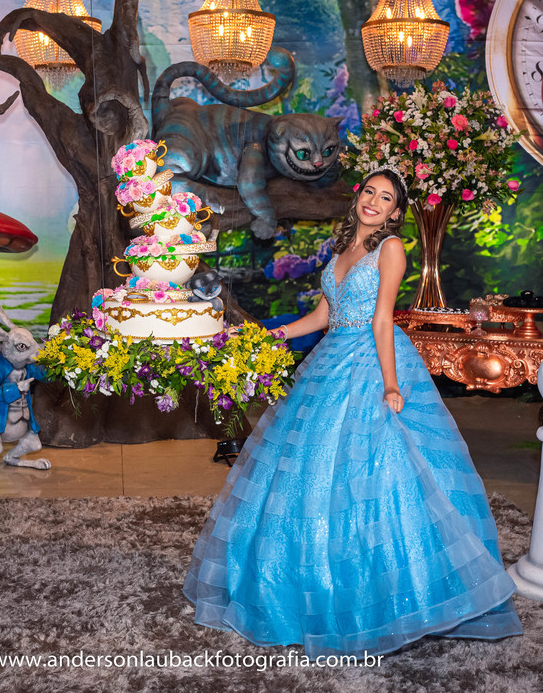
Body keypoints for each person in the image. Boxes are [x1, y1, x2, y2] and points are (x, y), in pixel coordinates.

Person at [183, 166, 522, 657]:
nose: (373, 202)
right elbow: (323, 317)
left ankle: (388, 596)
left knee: (379, 471)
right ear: (358, 196)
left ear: (395, 213)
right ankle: (306, 585)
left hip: (370, 360)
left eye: (385, 198)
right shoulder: (341, 250)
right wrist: (269, 334)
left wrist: (391, 384)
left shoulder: (391, 248)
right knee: (310, 471)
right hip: (331, 357)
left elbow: (382, 319)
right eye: (369, 191)